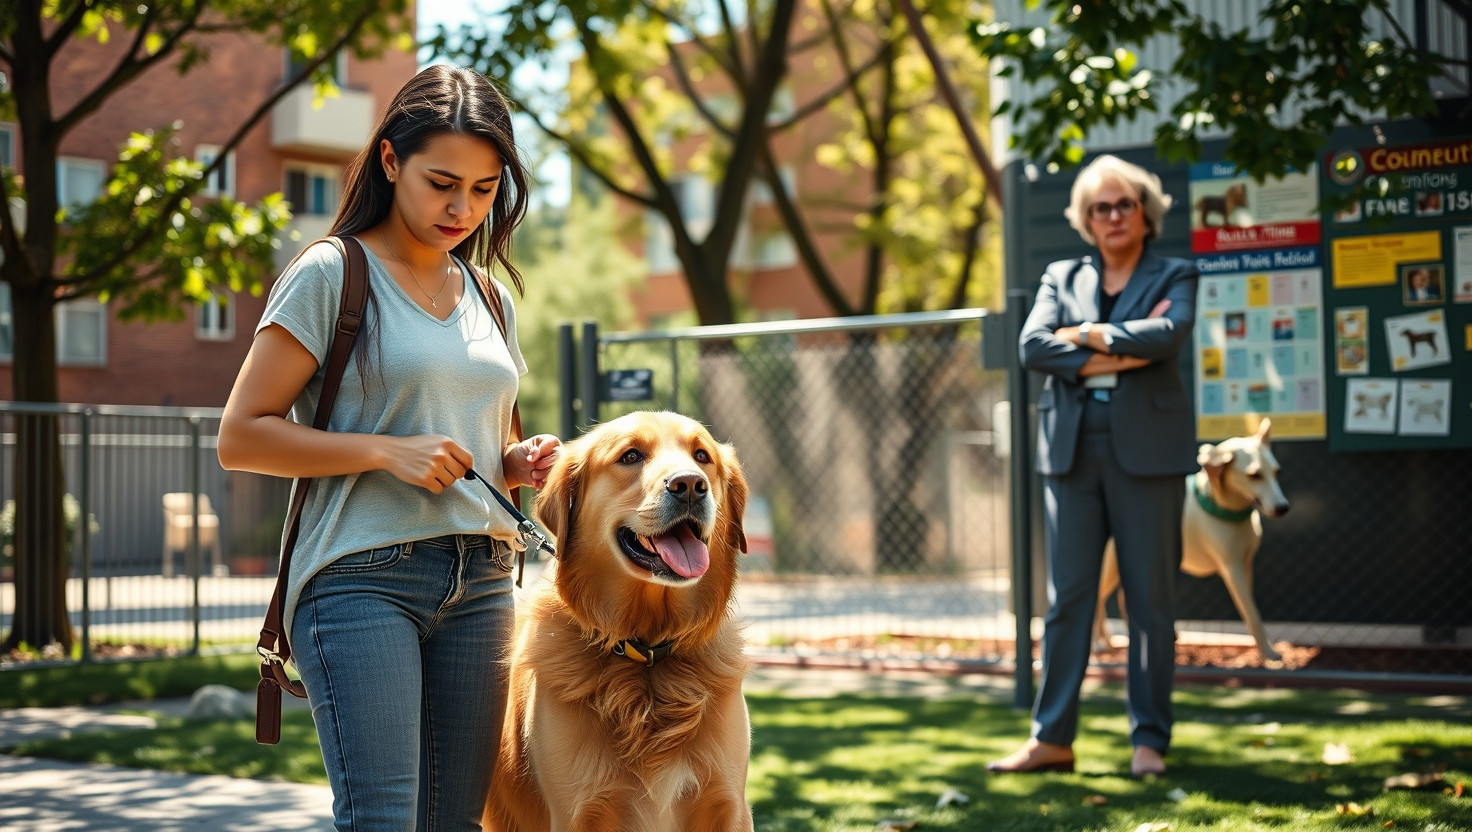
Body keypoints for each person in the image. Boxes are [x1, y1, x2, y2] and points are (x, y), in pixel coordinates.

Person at [217, 64, 559, 830]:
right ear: (391, 160)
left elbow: (481, 445)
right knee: (382, 819)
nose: (462, 208)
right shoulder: (331, 273)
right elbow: (240, 436)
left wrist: (517, 463)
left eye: (483, 189)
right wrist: (384, 452)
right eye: (443, 183)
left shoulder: (490, 295)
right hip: (361, 577)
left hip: (484, 579)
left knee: (456, 822)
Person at [988, 154, 1198, 778]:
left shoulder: (1176, 272)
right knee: (1069, 600)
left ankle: (1149, 742)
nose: (1113, 215)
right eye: (1100, 207)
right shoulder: (1061, 275)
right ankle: (1051, 738)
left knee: (1149, 603)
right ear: (1086, 218)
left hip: (1148, 452)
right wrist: (1125, 347)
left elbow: (1170, 334)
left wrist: (1084, 335)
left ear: (1145, 212)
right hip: (1072, 449)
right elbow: (1032, 346)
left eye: (1124, 204)